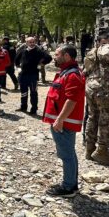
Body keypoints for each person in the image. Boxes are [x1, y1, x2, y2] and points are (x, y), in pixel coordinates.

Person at [43, 45, 85, 197]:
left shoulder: (72, 75)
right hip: (62, 121)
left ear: (67, 56)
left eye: (57, 54)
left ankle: (68, 187)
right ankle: (71, 183)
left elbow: (72, 100)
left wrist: (60, 119)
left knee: (66, 154)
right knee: (69, 153)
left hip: (64, 123)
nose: (54, 57)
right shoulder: (66, 72)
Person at [84, 35, 109, 165]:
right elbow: (107, 53)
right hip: (103, 88)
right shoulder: (107, 47)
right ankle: (101, 152)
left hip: (90, 86)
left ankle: (89, 149)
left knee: (93, 117)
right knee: (107, 119)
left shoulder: (92, 52)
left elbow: (86, 70)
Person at [15, 36, 52, 115]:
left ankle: (34, 109)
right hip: (23, 75)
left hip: (33, 76)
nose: (32, 44)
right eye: (30, 42)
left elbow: (49, 58)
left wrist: (41, 63)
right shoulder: (23, 50)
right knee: (23, 92)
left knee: (33, 93)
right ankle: (23, 106)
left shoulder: (38, 50)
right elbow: (16, 59)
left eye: (33, 42)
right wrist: (18, 67)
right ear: (26, 43)